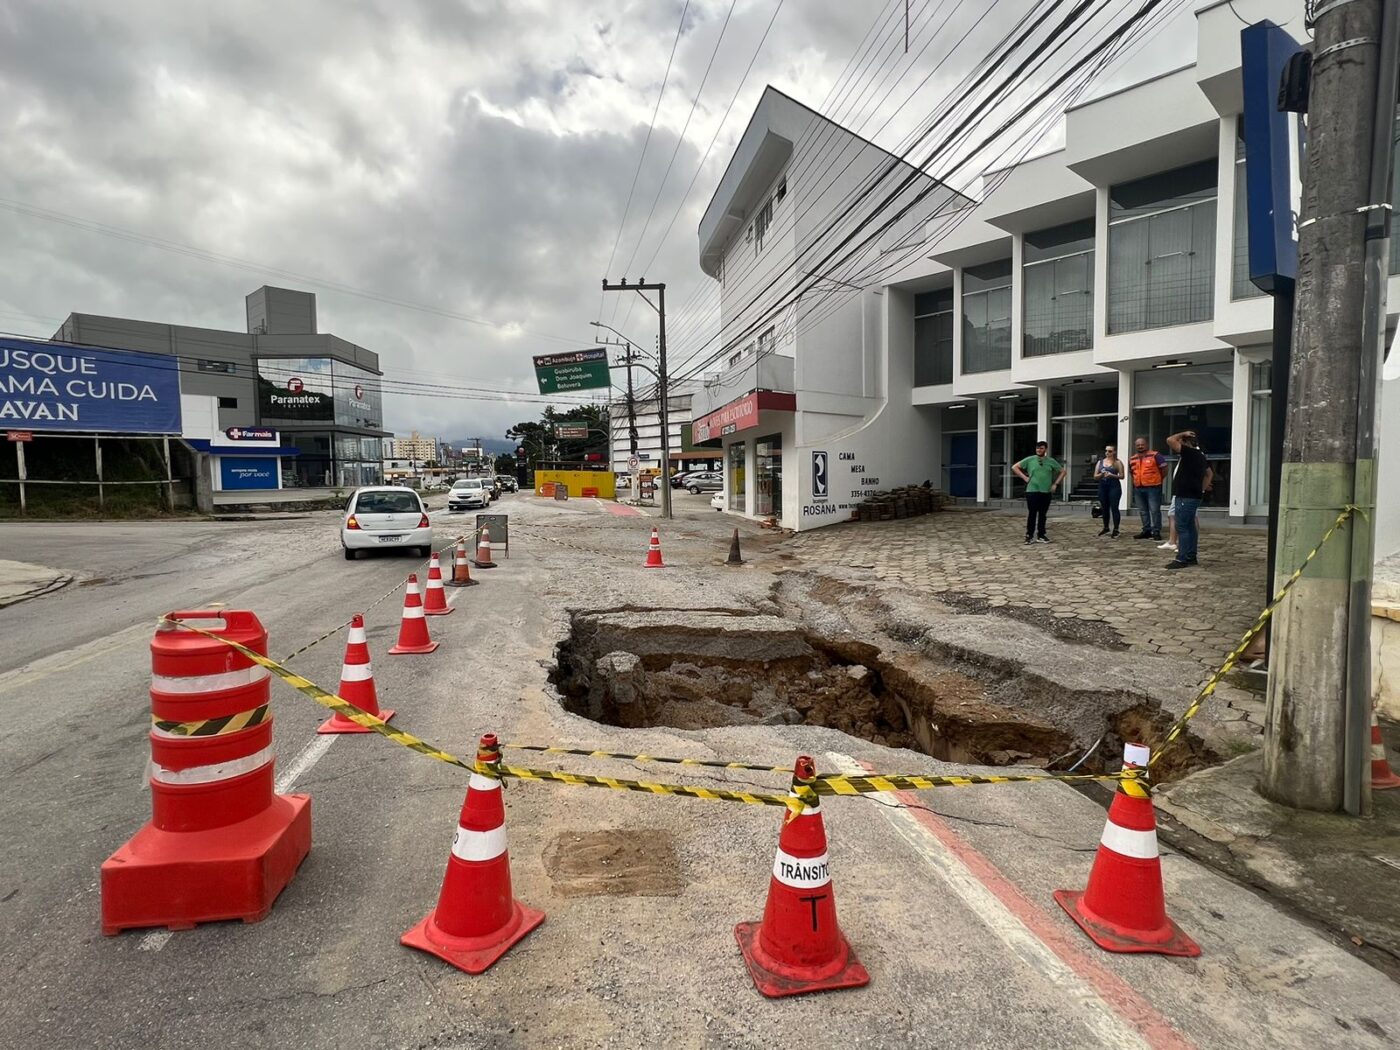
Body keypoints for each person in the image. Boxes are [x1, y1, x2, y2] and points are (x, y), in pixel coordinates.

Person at [1164, 431, 1212, 569]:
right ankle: (1191, 556)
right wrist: (1201, 488)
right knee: (1190, 527)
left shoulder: (1190, 453)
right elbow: (1209, 473)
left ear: (1186, 443)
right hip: (1193, 494)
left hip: (1185, 495)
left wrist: (1182, 433)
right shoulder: (1201, 456)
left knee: (1182, 527)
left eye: (1182, 442)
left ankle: (1182, 558)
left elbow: (1170, 439)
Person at [1012, 440, 1066, 544]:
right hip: (1032, 490)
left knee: (1043, 514)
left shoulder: (1051, 461)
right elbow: (1015, 467)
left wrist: (1055, 484)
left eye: (1041, 448)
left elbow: (1063, 471)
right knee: (1032, 513)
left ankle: (1041, 535)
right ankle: (1029, 535)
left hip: (1046, 491)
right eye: (1037, 448)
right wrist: (1025, 478)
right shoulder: (1030, 459)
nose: (1039, 450)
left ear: (1045, 449)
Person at [1128, 436, 1167, 540]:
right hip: (1138, 488)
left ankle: (1156, 531)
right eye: (1138, 445)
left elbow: (1164, 470)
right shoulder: (1132, 458)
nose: (1140, 446)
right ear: (1135, 446)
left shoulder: (1156, 455)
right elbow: (1132, 473)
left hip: (1153, 488)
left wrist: (1157, 480)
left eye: (1142, 444)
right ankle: (1146, 530)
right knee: (1143, 511)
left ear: (1147, 445)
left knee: (1154, 510)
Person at [1094, 444, 1125, 538]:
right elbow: (1095, 476)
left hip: (1114, 487)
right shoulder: (1100, 462)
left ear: (1114, 452)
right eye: (1106, 451)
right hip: (1103, 487)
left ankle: (1116, 529)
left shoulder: (1117, 462)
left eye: (1110, 451)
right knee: (1104, 507)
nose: (1107, 453)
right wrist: (1101, 475)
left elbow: (1122, 476)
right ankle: (1106, 527)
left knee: (1114, 508)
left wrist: (1112, 475)